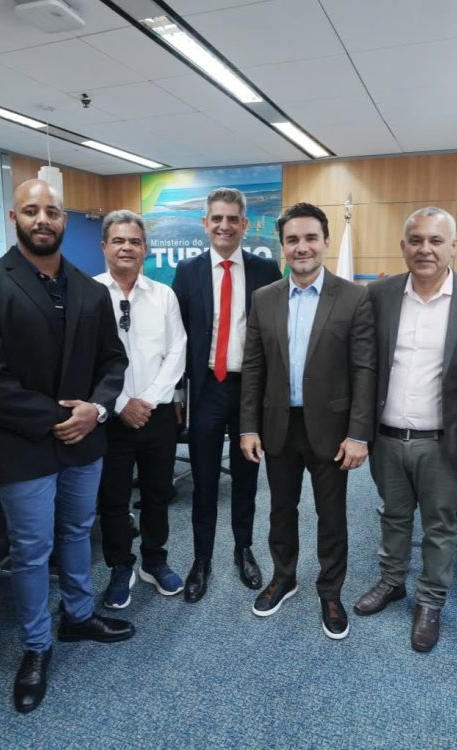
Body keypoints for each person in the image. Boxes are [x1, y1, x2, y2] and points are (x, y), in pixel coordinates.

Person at [0, 179, 132, 716]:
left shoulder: (91, 291)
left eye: (52, 211)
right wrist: (57, 418)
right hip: (20, 444)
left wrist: (95, 409)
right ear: (15, 218)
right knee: (31, 551)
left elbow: (113, 362)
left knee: (77, 531)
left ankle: (78, 616)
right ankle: (36, 646)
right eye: (31, 211)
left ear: (64, 220)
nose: (43, 220)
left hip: (84, 441)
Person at [356, 206, 457, 652]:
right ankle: (391, 582)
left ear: (453, 246)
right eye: (416, 240)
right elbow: (366, 366)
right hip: (387, 437)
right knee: (393, 515)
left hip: (445, 442)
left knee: (440, 527)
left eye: (436, 241)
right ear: (403, 247)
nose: (425, 249)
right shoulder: (379, 294)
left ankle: (431, 601)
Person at [240, 203, 375, 639]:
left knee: (331, 515)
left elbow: (364, 370)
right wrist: (248, 427)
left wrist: (358, 434)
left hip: (332, 431)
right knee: (281, 509)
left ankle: (330, 591)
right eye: (293, 240)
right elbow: (254, 367)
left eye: (311, 238)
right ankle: (284, 577)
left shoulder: (354, 297)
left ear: (326, 241)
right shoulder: (264, 299)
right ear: (282, 246)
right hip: (278, 426)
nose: (302, 247)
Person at [171, 187, 282, 602]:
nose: (224, 225)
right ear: (205, 224)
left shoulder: (266, 270)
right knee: (204, 480)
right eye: (216, 218)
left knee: (246, 477)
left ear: (244, 224)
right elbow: (177, 338)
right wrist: (178, 396)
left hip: (250, 390)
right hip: (205, 389)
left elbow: (276, 337)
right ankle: (201, 558)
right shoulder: (188, 271)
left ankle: (243, 549)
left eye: (232, 218)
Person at [94, 210, 187, 608]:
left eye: (134, 241)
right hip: (108, 418)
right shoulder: (89, 293)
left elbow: (177, 351)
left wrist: (146, 401)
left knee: (157, 493)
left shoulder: (163, 295)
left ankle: (155, 560)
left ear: (145, 249)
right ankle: (120, 566)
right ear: (104, 247)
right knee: (113, 499)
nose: (127, 247)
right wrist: (121, 404)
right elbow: (85, 360)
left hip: (156, 415)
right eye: (118, 240)